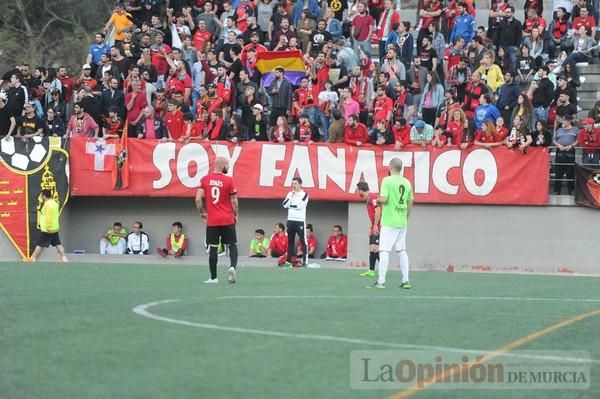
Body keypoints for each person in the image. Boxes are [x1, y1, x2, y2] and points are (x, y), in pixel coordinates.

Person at [196, 157, 239, 283]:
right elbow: (234, 201)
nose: (229, 167)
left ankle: (213, 278)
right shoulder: (229, 180)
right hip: (227, 218)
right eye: (227, 165)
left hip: (212, 220)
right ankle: (232, 267)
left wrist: (201, 212)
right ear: (221, 165)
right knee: (232, 245)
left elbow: (198, 199)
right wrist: (236, 214)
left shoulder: (205, 179)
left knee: (213, 248)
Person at [372, 157, 413, 289]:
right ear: (401, 168)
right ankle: (405, 280)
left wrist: (376, 201)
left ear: (390, 168)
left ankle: (381, 281)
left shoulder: (387, 180)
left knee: (383, 250)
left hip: (389, 221)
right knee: (401, 250)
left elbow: (384, 199)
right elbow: (410, 201)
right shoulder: (407, 182)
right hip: (402, 221)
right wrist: (406, 216)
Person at [26, 189, 69, 263]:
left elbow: (49, 216)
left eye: (41, 195)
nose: (41, 196)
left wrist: (48, 227)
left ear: (44, 196)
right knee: (57, 243)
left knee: (40, 244)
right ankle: (64, 258)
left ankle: (33, 258)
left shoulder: (48, 205)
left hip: (48, 229)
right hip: (54, 227)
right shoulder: (54, 203)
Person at [282, 177, 310, 267]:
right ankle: (288, 260)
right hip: (290, 220)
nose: (293, 185)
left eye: (295, 183)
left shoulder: (305, 194)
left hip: (300, 220)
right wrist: (291, 197)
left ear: (300, 184)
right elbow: (284, 205)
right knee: (290, 241)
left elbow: (300, 206)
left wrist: (291, 206)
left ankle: (305, 261)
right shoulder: (290, 193)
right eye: (293, 183)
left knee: (303, 241)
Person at [357, 182, 381, 278]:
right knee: (373, 249)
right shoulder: (369, 199)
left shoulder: (372, 197)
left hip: (379, 226)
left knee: (375, 248)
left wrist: (375, 225)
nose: (358, 192)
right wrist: (371, 226)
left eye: (358, 190)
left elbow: (378, 210)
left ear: (361, 190)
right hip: (374, 226)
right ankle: (371, 271)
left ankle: (382, 269)